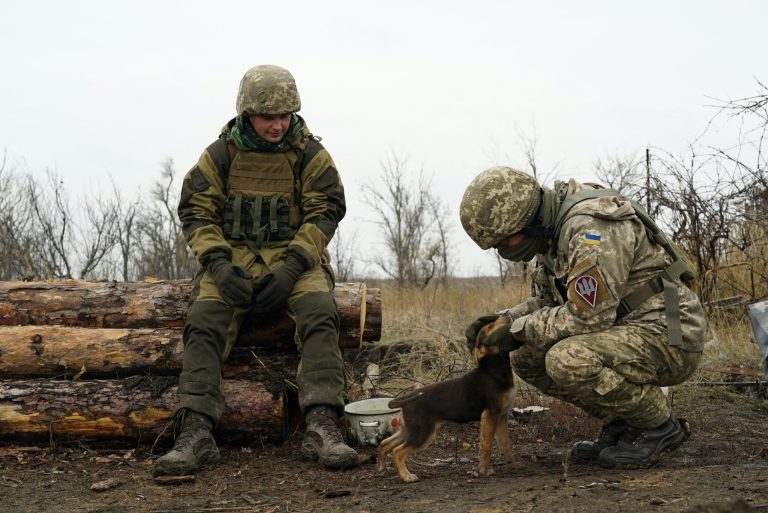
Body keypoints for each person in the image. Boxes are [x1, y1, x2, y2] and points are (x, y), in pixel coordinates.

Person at [153, 64, 357, 477]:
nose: (278, 125)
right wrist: (219, 266)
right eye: (269, 118)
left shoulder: (309, 154)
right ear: (248, 114)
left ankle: (321, 424)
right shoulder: (221, 154)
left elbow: (326, 211)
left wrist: (293, 267)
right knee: (204, 319)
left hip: (296, 258)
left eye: (285, 116)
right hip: (231, 258)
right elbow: (196, 210)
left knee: (320, 310)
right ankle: (195, 431)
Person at [460, 166, 706, 469]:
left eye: (503, 242)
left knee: (567, 358)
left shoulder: (590, 229)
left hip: (668, 334)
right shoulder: (550, 231)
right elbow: (551, 300)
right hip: (624, 329)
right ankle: (625, 420)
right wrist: (503, 320)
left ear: (525, 221)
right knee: (527, 357)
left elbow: (587, 317)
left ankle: (659, 425)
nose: (501, 251)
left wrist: (517, 329)